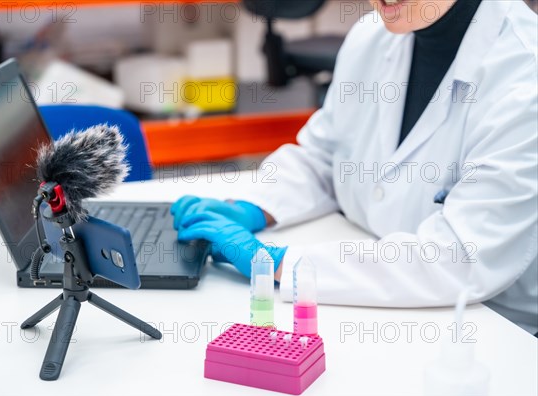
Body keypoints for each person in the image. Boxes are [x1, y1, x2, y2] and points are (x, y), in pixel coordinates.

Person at [172, 0, 538, 335]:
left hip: (490, 332)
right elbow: (325, 156)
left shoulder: (524, 77)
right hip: (382, 306)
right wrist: (255, 207)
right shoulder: (372, 37)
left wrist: (282, 263)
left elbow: (459, 258)